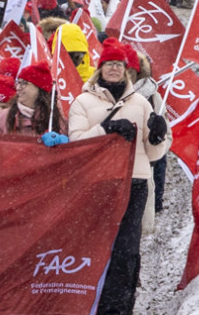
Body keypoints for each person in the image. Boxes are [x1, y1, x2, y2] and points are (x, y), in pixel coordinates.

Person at [67, 40, 170, 315]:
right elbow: (75, 144)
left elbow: (153, 153)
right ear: (99, 68)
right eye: (109, 63)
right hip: (97, 184)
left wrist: (158, 136)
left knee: (126, 251)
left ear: (127, 70)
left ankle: (120, 308)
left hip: (134, 184)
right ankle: (94, 304)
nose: (114, 68)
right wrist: (106, 129)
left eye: (119, 64)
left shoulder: (141, 103)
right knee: (96, 248)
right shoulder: (82, 102)